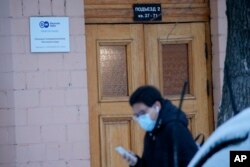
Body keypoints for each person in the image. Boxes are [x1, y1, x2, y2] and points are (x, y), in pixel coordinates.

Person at [122, 85, 198, 167]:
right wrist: (136, 163)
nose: (140, 118)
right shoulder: (152, 131)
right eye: (137, 115)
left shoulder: (175, 128)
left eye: (143, 113)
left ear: (157, 106)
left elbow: (193, 161)